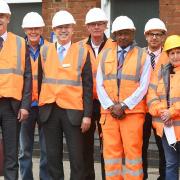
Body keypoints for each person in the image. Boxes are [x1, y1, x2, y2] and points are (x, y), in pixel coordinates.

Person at [38, 10, 93, 180]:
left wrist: (87, 116)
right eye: (60, 27)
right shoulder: (45, 51)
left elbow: (88, 87)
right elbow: (40, 81)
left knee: (77, 159)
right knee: (53, 159)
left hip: (73, 113)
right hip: (49, 111)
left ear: (72, 29)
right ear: (54, 29)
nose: (63, 30)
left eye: (67, 27)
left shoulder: (83, 52)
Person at [96, 15, 151, 179]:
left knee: (133, 153)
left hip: (132, 114)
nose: (122, 37)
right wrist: (111, 106)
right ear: (114, 35)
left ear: (133, 33)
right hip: (109, 114)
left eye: (126, 33)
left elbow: (144, 86)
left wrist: (124, 105)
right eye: (119, 33)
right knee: (111, 155)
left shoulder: (143, 56)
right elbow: (99, 84)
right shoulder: (105, 55)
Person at [0, 0, 32, 179]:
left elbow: (28, 77)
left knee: (12, 156)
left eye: (2, 16)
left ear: (8, 18)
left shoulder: (20, 43)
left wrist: (25, 105)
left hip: (12, 107)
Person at [81, 7, 113, 180]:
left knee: (106, 147)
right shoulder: (79, 47)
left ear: (105, 25)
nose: (96, 27)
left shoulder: (114, 46)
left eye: (100, 23)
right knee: (85, 147)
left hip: (106, 103)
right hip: (85, 103)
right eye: (92, 24)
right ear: (87, 27)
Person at [19, 12, 49, 180]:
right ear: (24, 29)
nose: (33, 31)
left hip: (46, 106)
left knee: (46, 150)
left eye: (37, 28)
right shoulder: (18, 49)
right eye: (30, 28)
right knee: (25, 150)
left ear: (42, 29)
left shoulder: (50, 48)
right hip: (25, 107)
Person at [147, 35, 180, 180]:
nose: (175, 56)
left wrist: (171, 112)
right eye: (172, 53)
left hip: (175, 123)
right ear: (167, 55)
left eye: (178, 52)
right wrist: (162, 112)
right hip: (167, 129)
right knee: (171, 164)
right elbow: (151, 95)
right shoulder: (161, 73)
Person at [142, 18, 167, 180]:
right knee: (140, 147)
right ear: (146, 36)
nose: (154, 37)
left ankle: (163, 177)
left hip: (161, 110)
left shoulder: (170, 55)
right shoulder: (138, 55)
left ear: (163, 36)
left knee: (164, 148)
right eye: (151, 34)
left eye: (158, 34)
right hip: (141, 110)